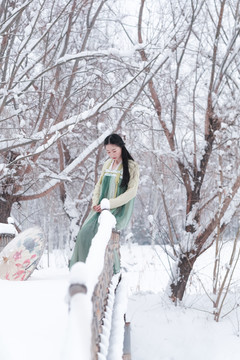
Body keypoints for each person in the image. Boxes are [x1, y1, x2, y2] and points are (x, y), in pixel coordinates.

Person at [69, 133, 139, 269]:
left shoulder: (131, 166)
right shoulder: (107, 164)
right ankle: (83, 269)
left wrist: (109, 204)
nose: (111, 154)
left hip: (116, 208)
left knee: (102, 236)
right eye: (108, 151)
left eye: (114, 150)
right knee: (84, 233)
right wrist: (95, 202)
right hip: (100, 206)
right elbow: (99, 185)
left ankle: (108, 271)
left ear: (121, 147)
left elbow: (132, 192)